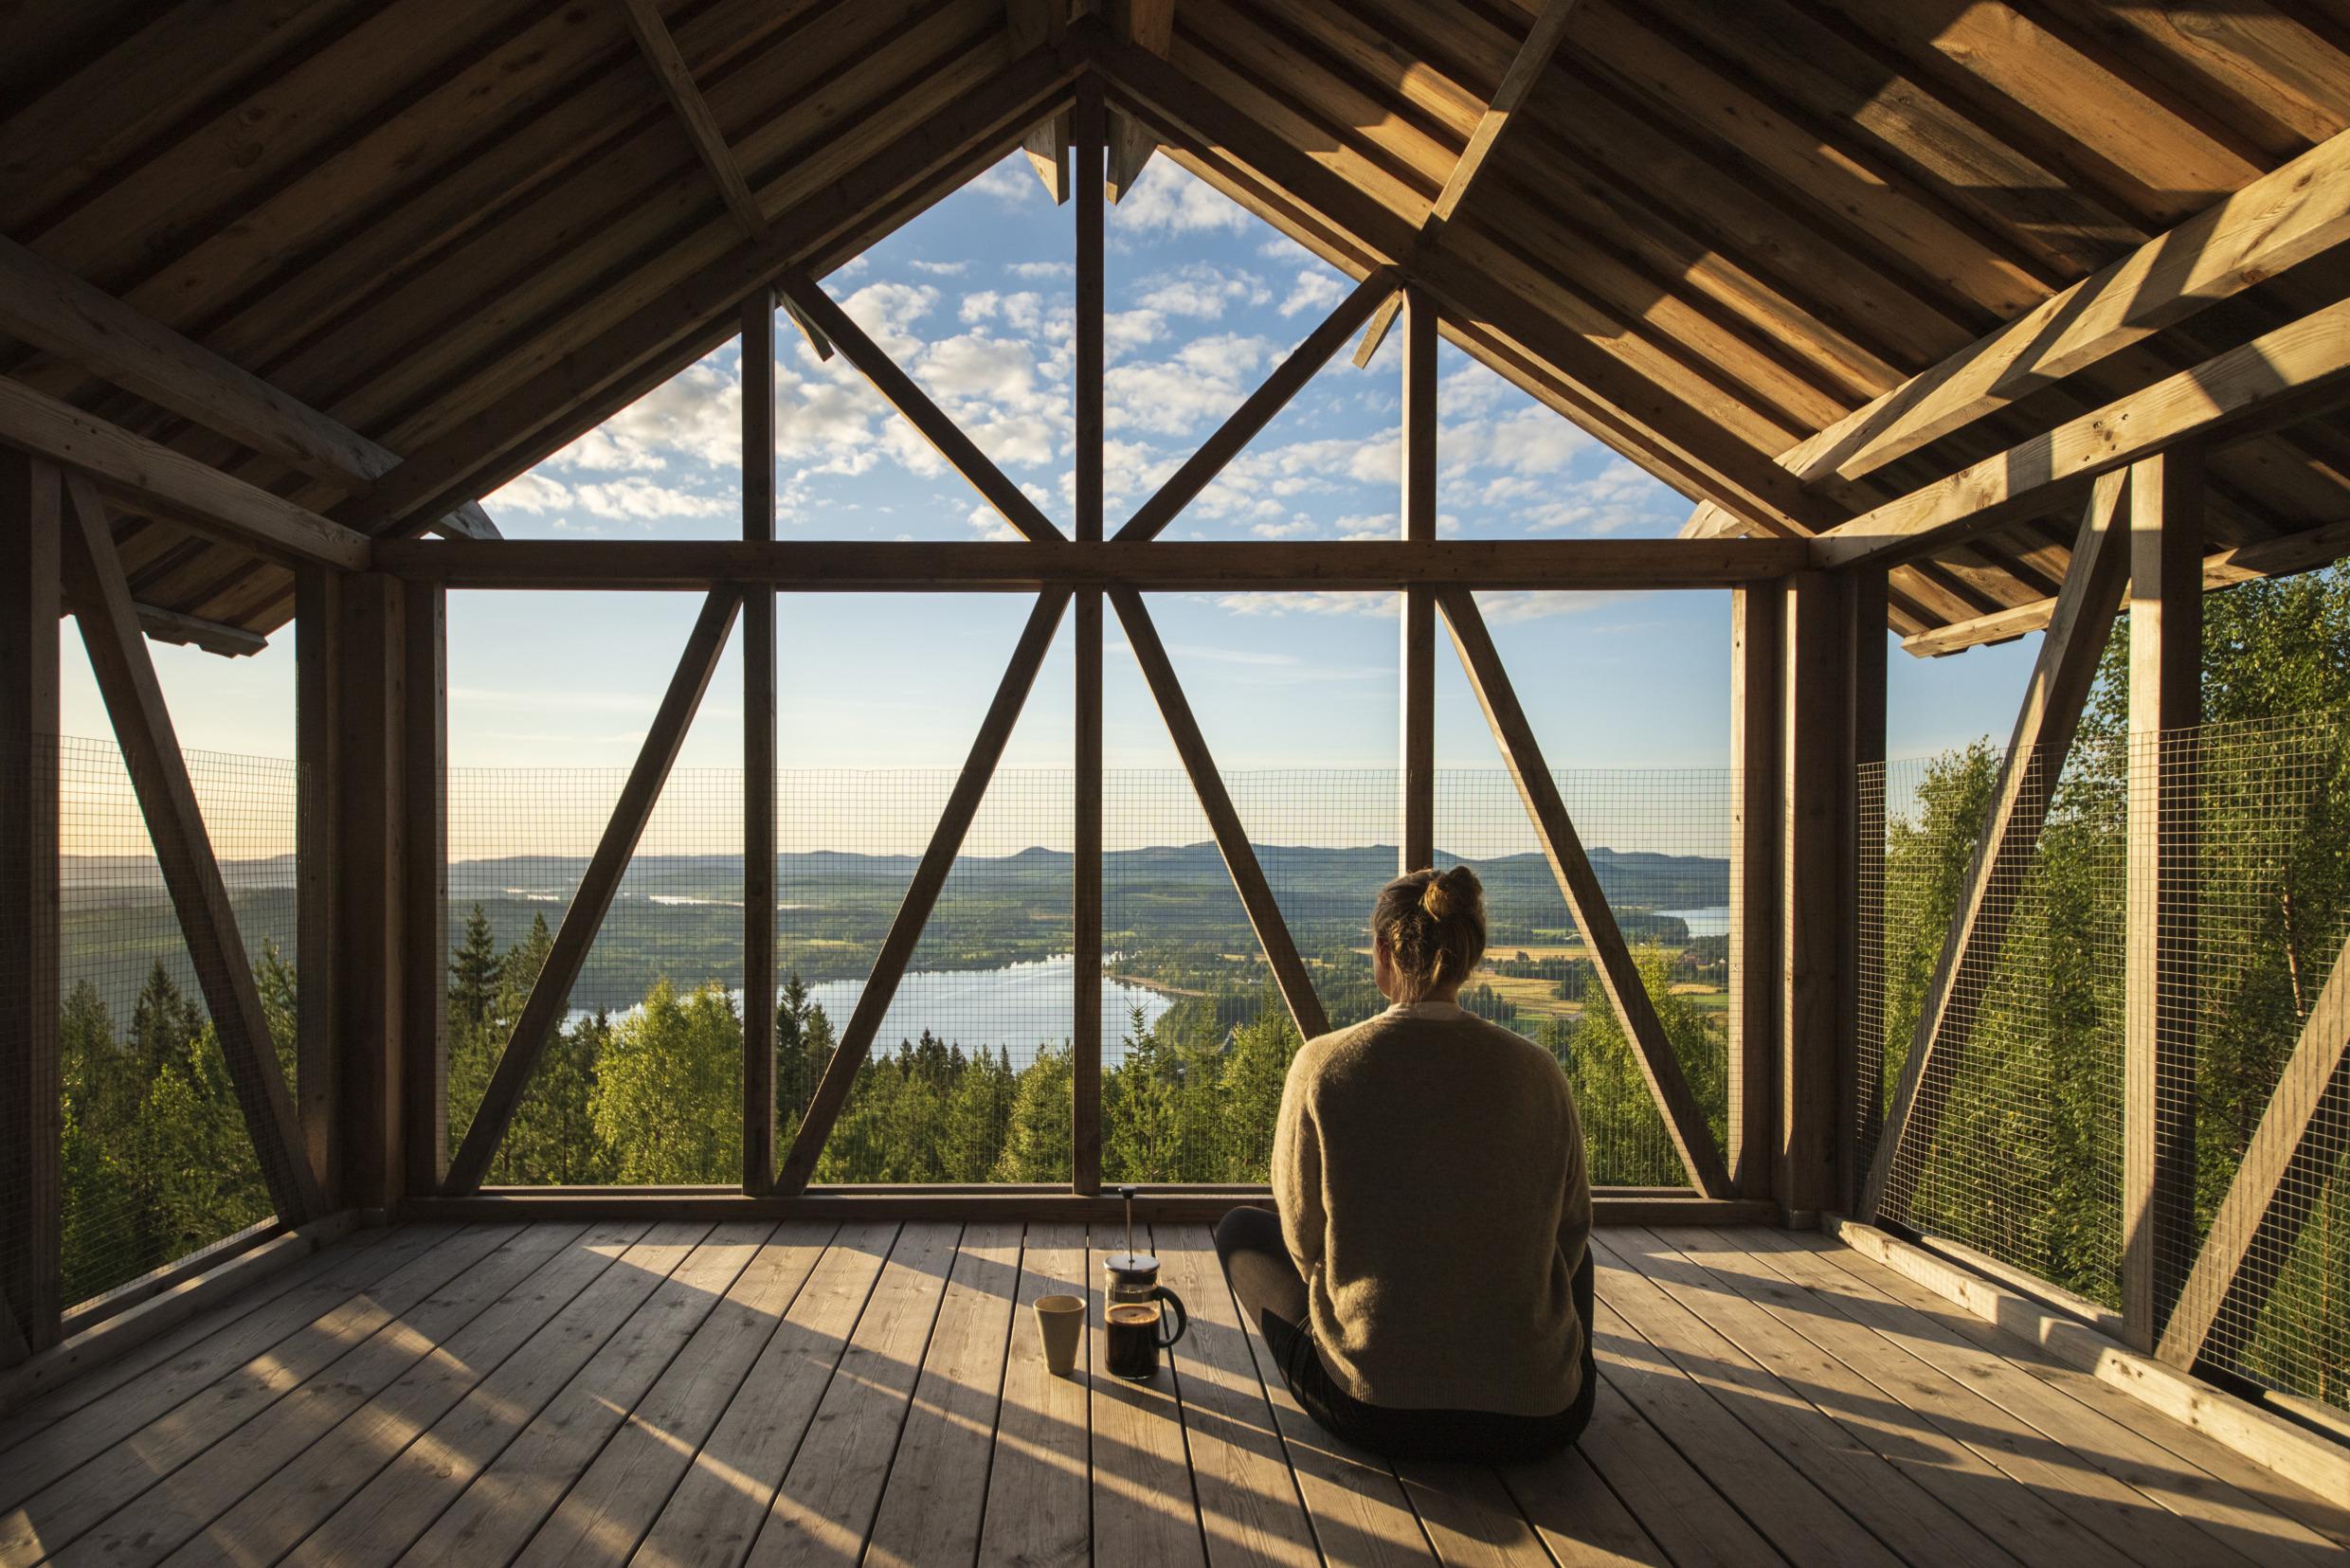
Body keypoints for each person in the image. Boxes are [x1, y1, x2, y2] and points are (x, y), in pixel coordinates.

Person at [1214, 865, 1596, 1462]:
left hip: (1375, 1410)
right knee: (1569, 1257)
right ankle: (1527, 1367)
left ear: (1385, 949)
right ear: (1471, 954)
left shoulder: (1323, 1066)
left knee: (1240, 1230)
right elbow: (1572, 1230)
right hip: (1541, 1420)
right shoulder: (1538, 1071)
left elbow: (1301, 1238)